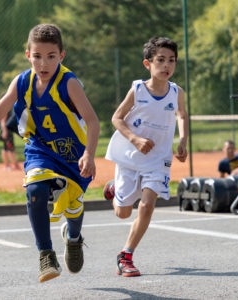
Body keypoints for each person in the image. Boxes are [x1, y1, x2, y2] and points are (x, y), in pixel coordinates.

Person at [0, 24, 100, 283]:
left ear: (61, 56)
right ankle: (46, 254)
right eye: (37, 56)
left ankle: (73, 239)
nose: (43, 63)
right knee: (34, 191)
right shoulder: (22, 81)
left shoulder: (69, 84)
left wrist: (89, 155)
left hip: (73, 154)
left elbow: (93, 121)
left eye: (50, 56)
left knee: (74, 207)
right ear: (28, 55)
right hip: (40, 147)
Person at [105, 37, 188, 277]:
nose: (166, 65)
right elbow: (116, 118)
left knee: (148, 204)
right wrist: (135, 139)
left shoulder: (176, 92)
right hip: (131, 157)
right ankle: (113, 190)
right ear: (147, 64)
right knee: (123, 213)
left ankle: (126, 255)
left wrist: (182, 140)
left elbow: (182, 115)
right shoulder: (138, 90)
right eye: (160, 60)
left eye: (171, 60)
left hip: (158, 160)